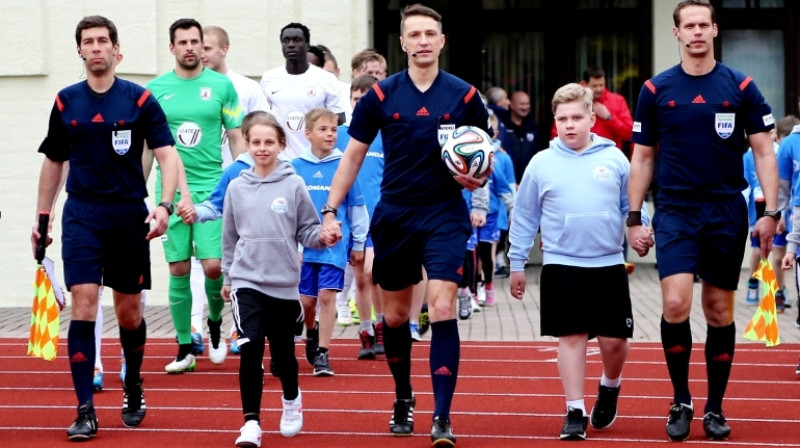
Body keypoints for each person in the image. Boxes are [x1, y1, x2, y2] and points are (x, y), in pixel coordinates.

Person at [319, 4, 490, 446]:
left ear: (442, 40)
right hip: (395, 215)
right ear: (402, 43)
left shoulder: (465, 96)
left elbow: (482, 158)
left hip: (444, 214)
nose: (423, 41)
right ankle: (402, 395)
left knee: (444, 305)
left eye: (430, 33)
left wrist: (479, 179)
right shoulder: (381, 95)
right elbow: (352, 156)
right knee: (394, 316)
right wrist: (331, 210)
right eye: (414, 34)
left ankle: (443, 416)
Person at [627, 0, 778, 441]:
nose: (696, 32)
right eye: (688, 25)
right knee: (674, 304)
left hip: (725, 209)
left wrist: (770, 212)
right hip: (675, 209)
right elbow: (643, 157)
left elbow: (765, 150)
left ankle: (713, 407)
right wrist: (635, 218)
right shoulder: (656, 90)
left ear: (714, 30)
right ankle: (680, 399)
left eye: (703, 25)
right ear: (676, 33)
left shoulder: (741, 86)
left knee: (717, 310)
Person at [32, 15, 179, 440]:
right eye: (88, 42)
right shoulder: (65, 101)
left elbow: (168, 156)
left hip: (127, 214)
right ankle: (85, 409)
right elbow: (54, 161)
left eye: (102, 41)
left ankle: (133, 384)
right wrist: (43, 218)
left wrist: (165, 205)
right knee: (84, 303)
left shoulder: (139, 100)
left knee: (129, 312)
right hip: (82, 214)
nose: (95, 48)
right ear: (80, 50)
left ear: (116, 50)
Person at [509, 82, 649, 440]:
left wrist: (639, 229)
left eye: (576, 117)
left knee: (615, 342)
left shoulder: (615, 157)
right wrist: (516, 263)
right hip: (561, 264)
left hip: (607, 264)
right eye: (562, 119)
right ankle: (574, 410)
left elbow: (631, 204)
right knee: (571, 338)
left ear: (591, 118)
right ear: (554, 122)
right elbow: (525, 217)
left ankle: (610, 385)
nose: (569, 125)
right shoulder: (541, 163)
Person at [220, 111, 329, 446]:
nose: (262, 148)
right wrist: (228, 276)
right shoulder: (237, 187)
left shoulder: (293, 184)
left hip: (283, 284)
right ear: (247, 145)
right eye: (256, 142)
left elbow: (308, 229)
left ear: (281, 144)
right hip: (246, 281)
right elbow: (229, 236)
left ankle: (292, 399)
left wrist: (323, 236)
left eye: (269, 142)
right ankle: (251, 423)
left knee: (282, 357)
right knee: (250, 347)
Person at [146, 18, 245, 373]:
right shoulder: (156, 89)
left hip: (212, 189)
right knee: (178, 268)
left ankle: (216, 326)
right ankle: (185, 346)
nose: (190, 47)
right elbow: (148, 147)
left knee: (214, 265)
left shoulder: (222, 87)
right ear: (171, 48)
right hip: (168, 191)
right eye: (182, 42)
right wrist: (137, 192)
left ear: (204, 46)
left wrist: (244, 178)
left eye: (195, 42)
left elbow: (236, 136)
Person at [201, 24, 270, 354]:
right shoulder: (189, 89)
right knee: (207, 260)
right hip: (207, 182)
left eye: (208, 47)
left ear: (223, 49)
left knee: (241, 253)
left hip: (244, 183)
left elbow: (262, 128)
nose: (201, 53)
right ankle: (195, 330)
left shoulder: (245, 87)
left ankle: (238, 326)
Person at [292, 107, 368, 376]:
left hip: (334, 246)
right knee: (306, 302)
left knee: (326, 296)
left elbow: (358, 207)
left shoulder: (343, 165)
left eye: (334, 129)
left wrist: (358, 243)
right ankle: (310, 331)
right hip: (304, 246)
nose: (329, 134)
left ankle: (323, 353)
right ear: (308, 134)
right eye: (323, 129)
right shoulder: (295, 167)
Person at [334, 74, 386, 358]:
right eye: (356, 99)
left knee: (372, 272)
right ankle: (366, 330)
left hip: (378, 215)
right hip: (351, 216)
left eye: (367, 99)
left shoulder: (386, 133)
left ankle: (381, 325)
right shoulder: (342, 135)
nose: (361, 104)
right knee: (361, 276)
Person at [260, 23, 346, 159]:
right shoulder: (269, 78)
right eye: (286, 41)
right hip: (280, 160)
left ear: (307, 45)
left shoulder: (326, 79)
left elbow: (338, 120)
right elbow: (263, 119)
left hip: (315, 159)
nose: (291, 45)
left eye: (297, 40)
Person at [745, 117, 799, 311]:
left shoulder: (781, 150)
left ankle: (780, 291)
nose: (772, 137)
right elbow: (748, 185)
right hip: (763, 208)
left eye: (773, 132)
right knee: (766, 251)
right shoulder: (749, 156)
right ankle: (761, 286)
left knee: (784, 254)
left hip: (789, 212)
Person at [500, 90, 545, 184]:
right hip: (508, 182)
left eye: (527, 104)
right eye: (521, 104)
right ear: (511, 105)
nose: (525, 107)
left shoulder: (533, 127)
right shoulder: (502, 127)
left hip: (529, 181)